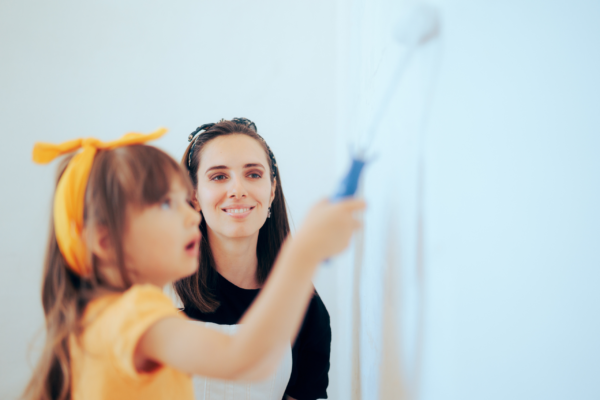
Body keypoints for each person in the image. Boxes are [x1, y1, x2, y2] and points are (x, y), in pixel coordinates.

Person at [22, 129, 365, 400]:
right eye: (168, 204)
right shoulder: (135, 314)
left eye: (185, 200)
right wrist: (303, 254)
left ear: (273, 189)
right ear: (106, 241)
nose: (190, 213)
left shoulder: (102, 314)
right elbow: (242, 358)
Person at [174, 118, 332, 400]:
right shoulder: (158, 294)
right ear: (194, 195)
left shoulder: (306, 308)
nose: (238, 190)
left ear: (272, 190)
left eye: (254, 174)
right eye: (219, 176)